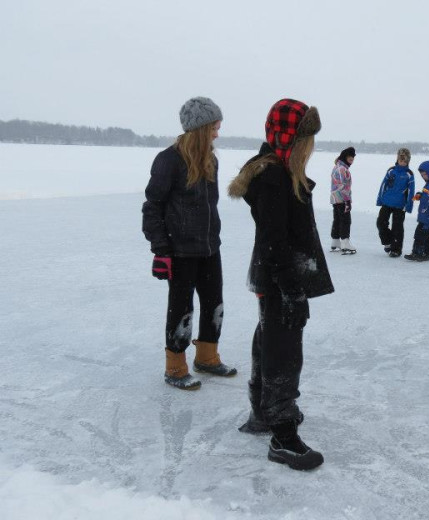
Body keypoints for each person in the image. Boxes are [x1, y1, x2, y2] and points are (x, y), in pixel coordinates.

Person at [227, 98, 333, 471]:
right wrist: (291, 290)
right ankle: (282, 435)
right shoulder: (273, 177)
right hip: (279, 277)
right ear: (290, 137)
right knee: (283, 349)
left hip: (274, 275)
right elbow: (275, 242)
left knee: (269, 337)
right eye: (307, 138)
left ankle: (262, 413)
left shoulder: (278, 168)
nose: (311, 146)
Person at [142, 96, 236, 391]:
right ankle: (175, 366)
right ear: (199, 128)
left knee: (214, 304)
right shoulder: (168, 160)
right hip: (180, 251)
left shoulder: (211, 160)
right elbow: (152, 207)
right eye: (214, 128)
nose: (217, 134)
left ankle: (207, 357)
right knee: (181, 309)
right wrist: (161, 250)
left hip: (209, 248)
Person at [376, 148, 415, 257]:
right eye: (400, 160)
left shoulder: (409, 174)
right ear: (397, 159)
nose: (402, 162)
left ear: (407, 161)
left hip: (400, 205)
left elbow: (411, 191)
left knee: (397, 227)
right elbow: (383, 185)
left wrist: (409, 206)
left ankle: (396, 249)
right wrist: (379, 199)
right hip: (387, 202)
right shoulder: (391, 171)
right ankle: (388, 242)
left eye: (404, 161)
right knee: (380, 222)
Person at [330, 147, 356, 254]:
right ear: (345, 158)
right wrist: (347, 200)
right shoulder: (342, 169)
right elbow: (342, 186)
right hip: (342, 199)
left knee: (337, 219)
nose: (352, 162)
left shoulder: (337, 167)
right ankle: (345, 241)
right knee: (345, 220)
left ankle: (335, 241)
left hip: (335, 199)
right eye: (350, 159)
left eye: (353, 159)